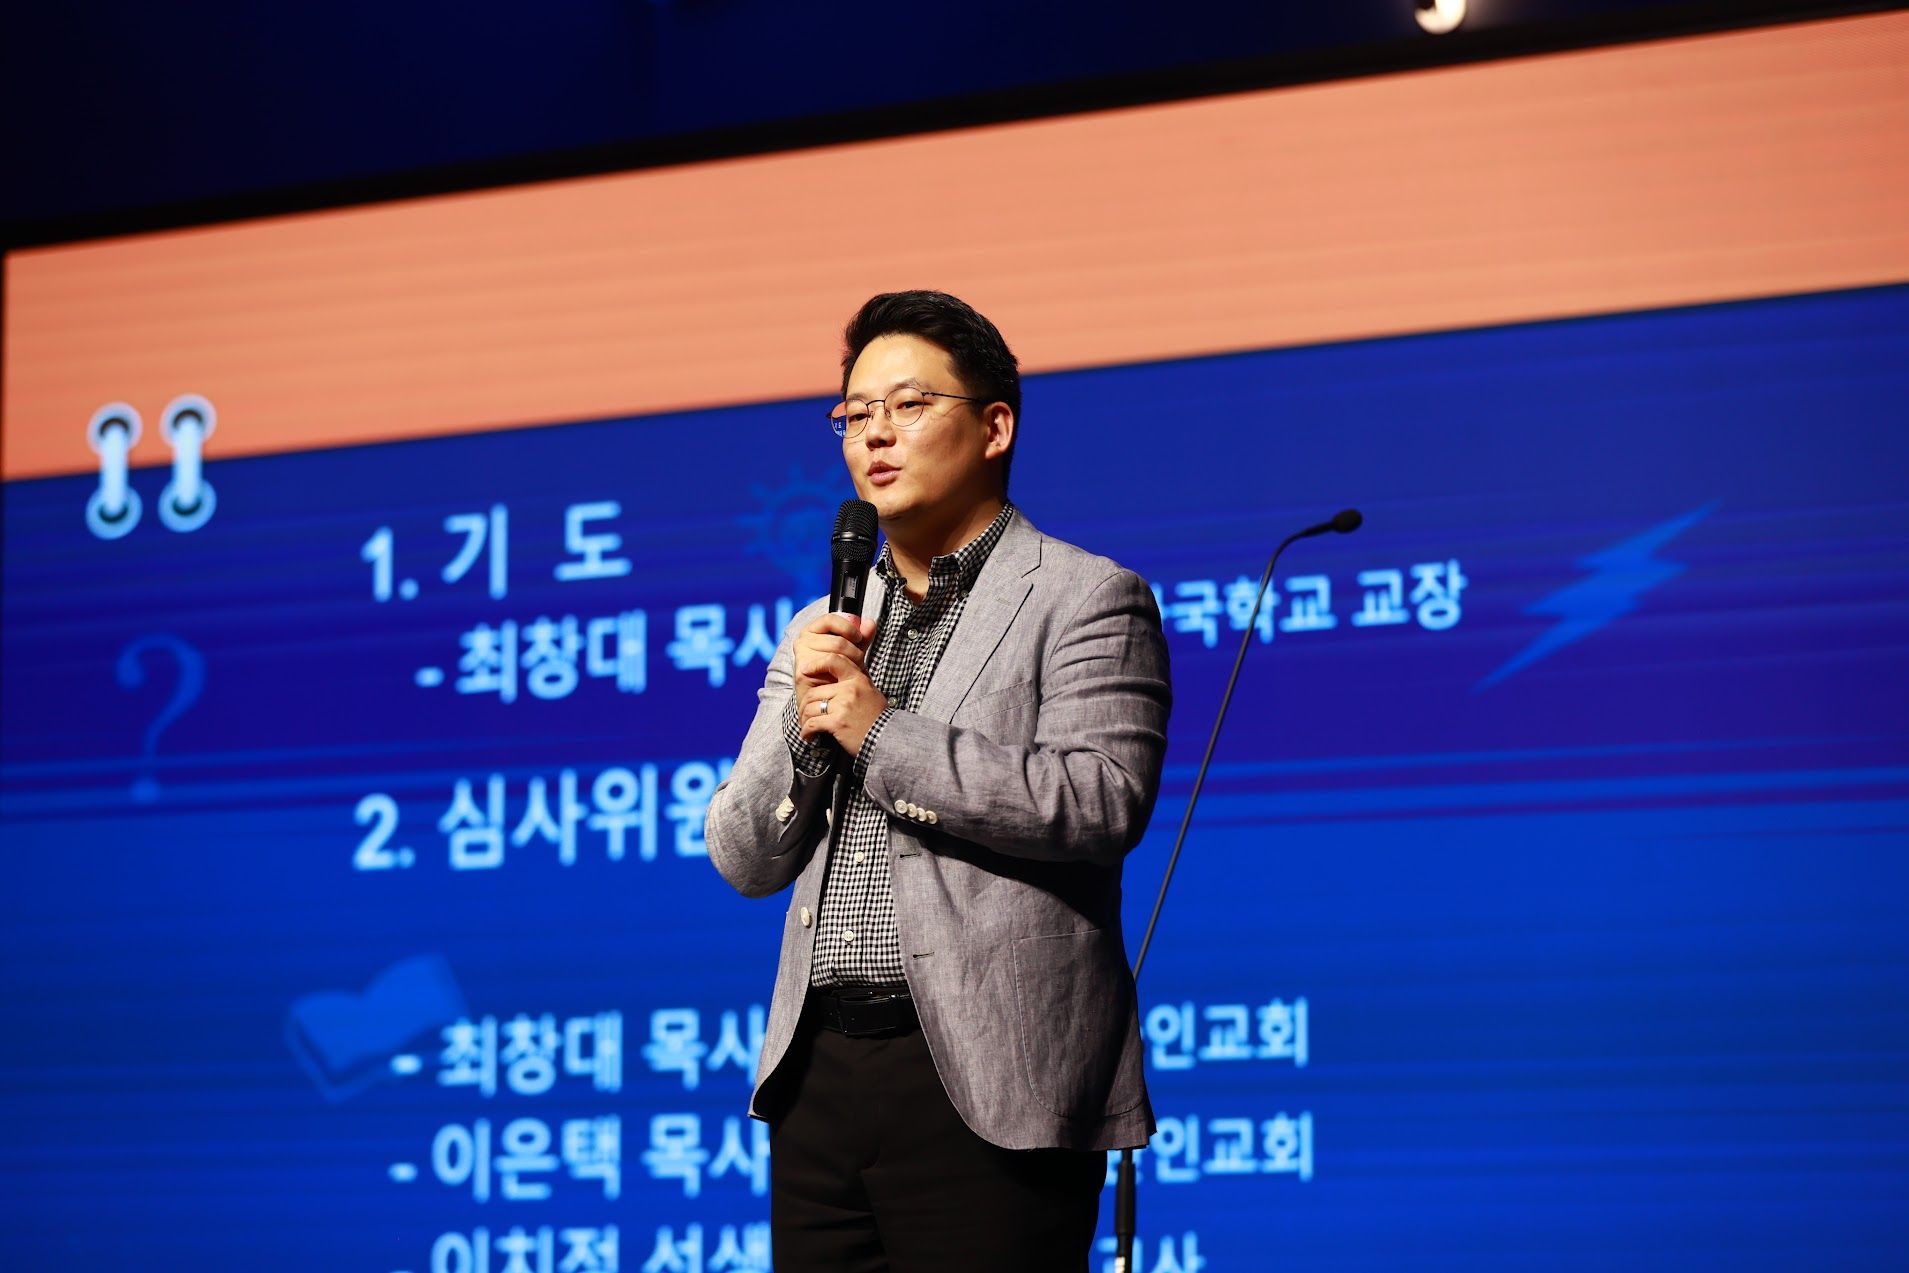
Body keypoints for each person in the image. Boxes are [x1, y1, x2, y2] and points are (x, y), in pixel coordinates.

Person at [704, 289, 1171, 1272]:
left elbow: (1098, 799)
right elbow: (743, 856)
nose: (875, 434)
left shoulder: (1084, 597)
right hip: (819, 1077)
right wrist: (806, 731)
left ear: (994, 426)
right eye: (854, 414)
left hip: (990, 1077)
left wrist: (879, 735)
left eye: (909, 406)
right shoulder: (825, 626)